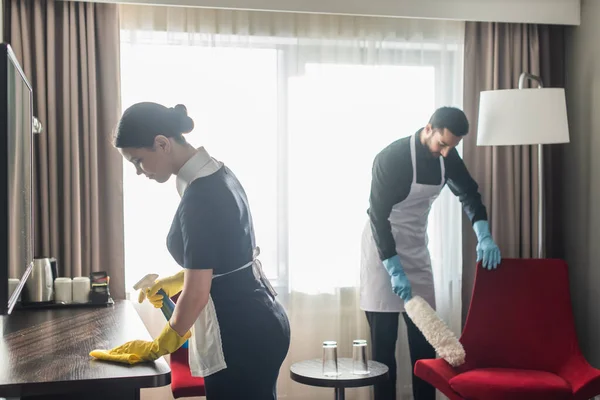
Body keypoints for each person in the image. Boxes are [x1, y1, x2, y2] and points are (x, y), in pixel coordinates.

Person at [90, 102, 291, 400]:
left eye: (138, 161)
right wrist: (177, 280)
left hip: (242, 332)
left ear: (162, 144)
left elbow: (197, 293)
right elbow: (224, 254)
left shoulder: (199, 195)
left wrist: (159, 345)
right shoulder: (217, 173)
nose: (137, 172)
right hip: (261, 318)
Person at [360, 106, 501, 400]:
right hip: (381, 252)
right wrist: (394, 269)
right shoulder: (391, 158)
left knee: (425, 348)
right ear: (428, 129)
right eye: (443, 144)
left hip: (415, 249)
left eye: (453, 146)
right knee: (383, 351)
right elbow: (377, 216)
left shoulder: (447, 156)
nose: (447, 152)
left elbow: (469, 193)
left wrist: (483, 234)